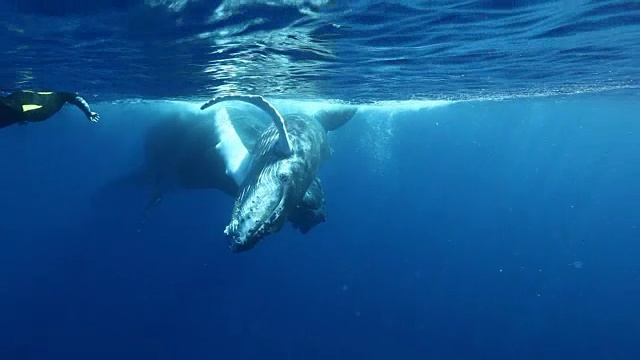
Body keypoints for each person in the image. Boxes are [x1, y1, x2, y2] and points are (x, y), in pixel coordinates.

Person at [0, 90, 99, 129]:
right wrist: (88, 113)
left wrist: (88, 112)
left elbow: (75, 99)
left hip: (20, 109)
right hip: (21, 110)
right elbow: (76, 99)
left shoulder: (58, 96)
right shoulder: (58, 96)